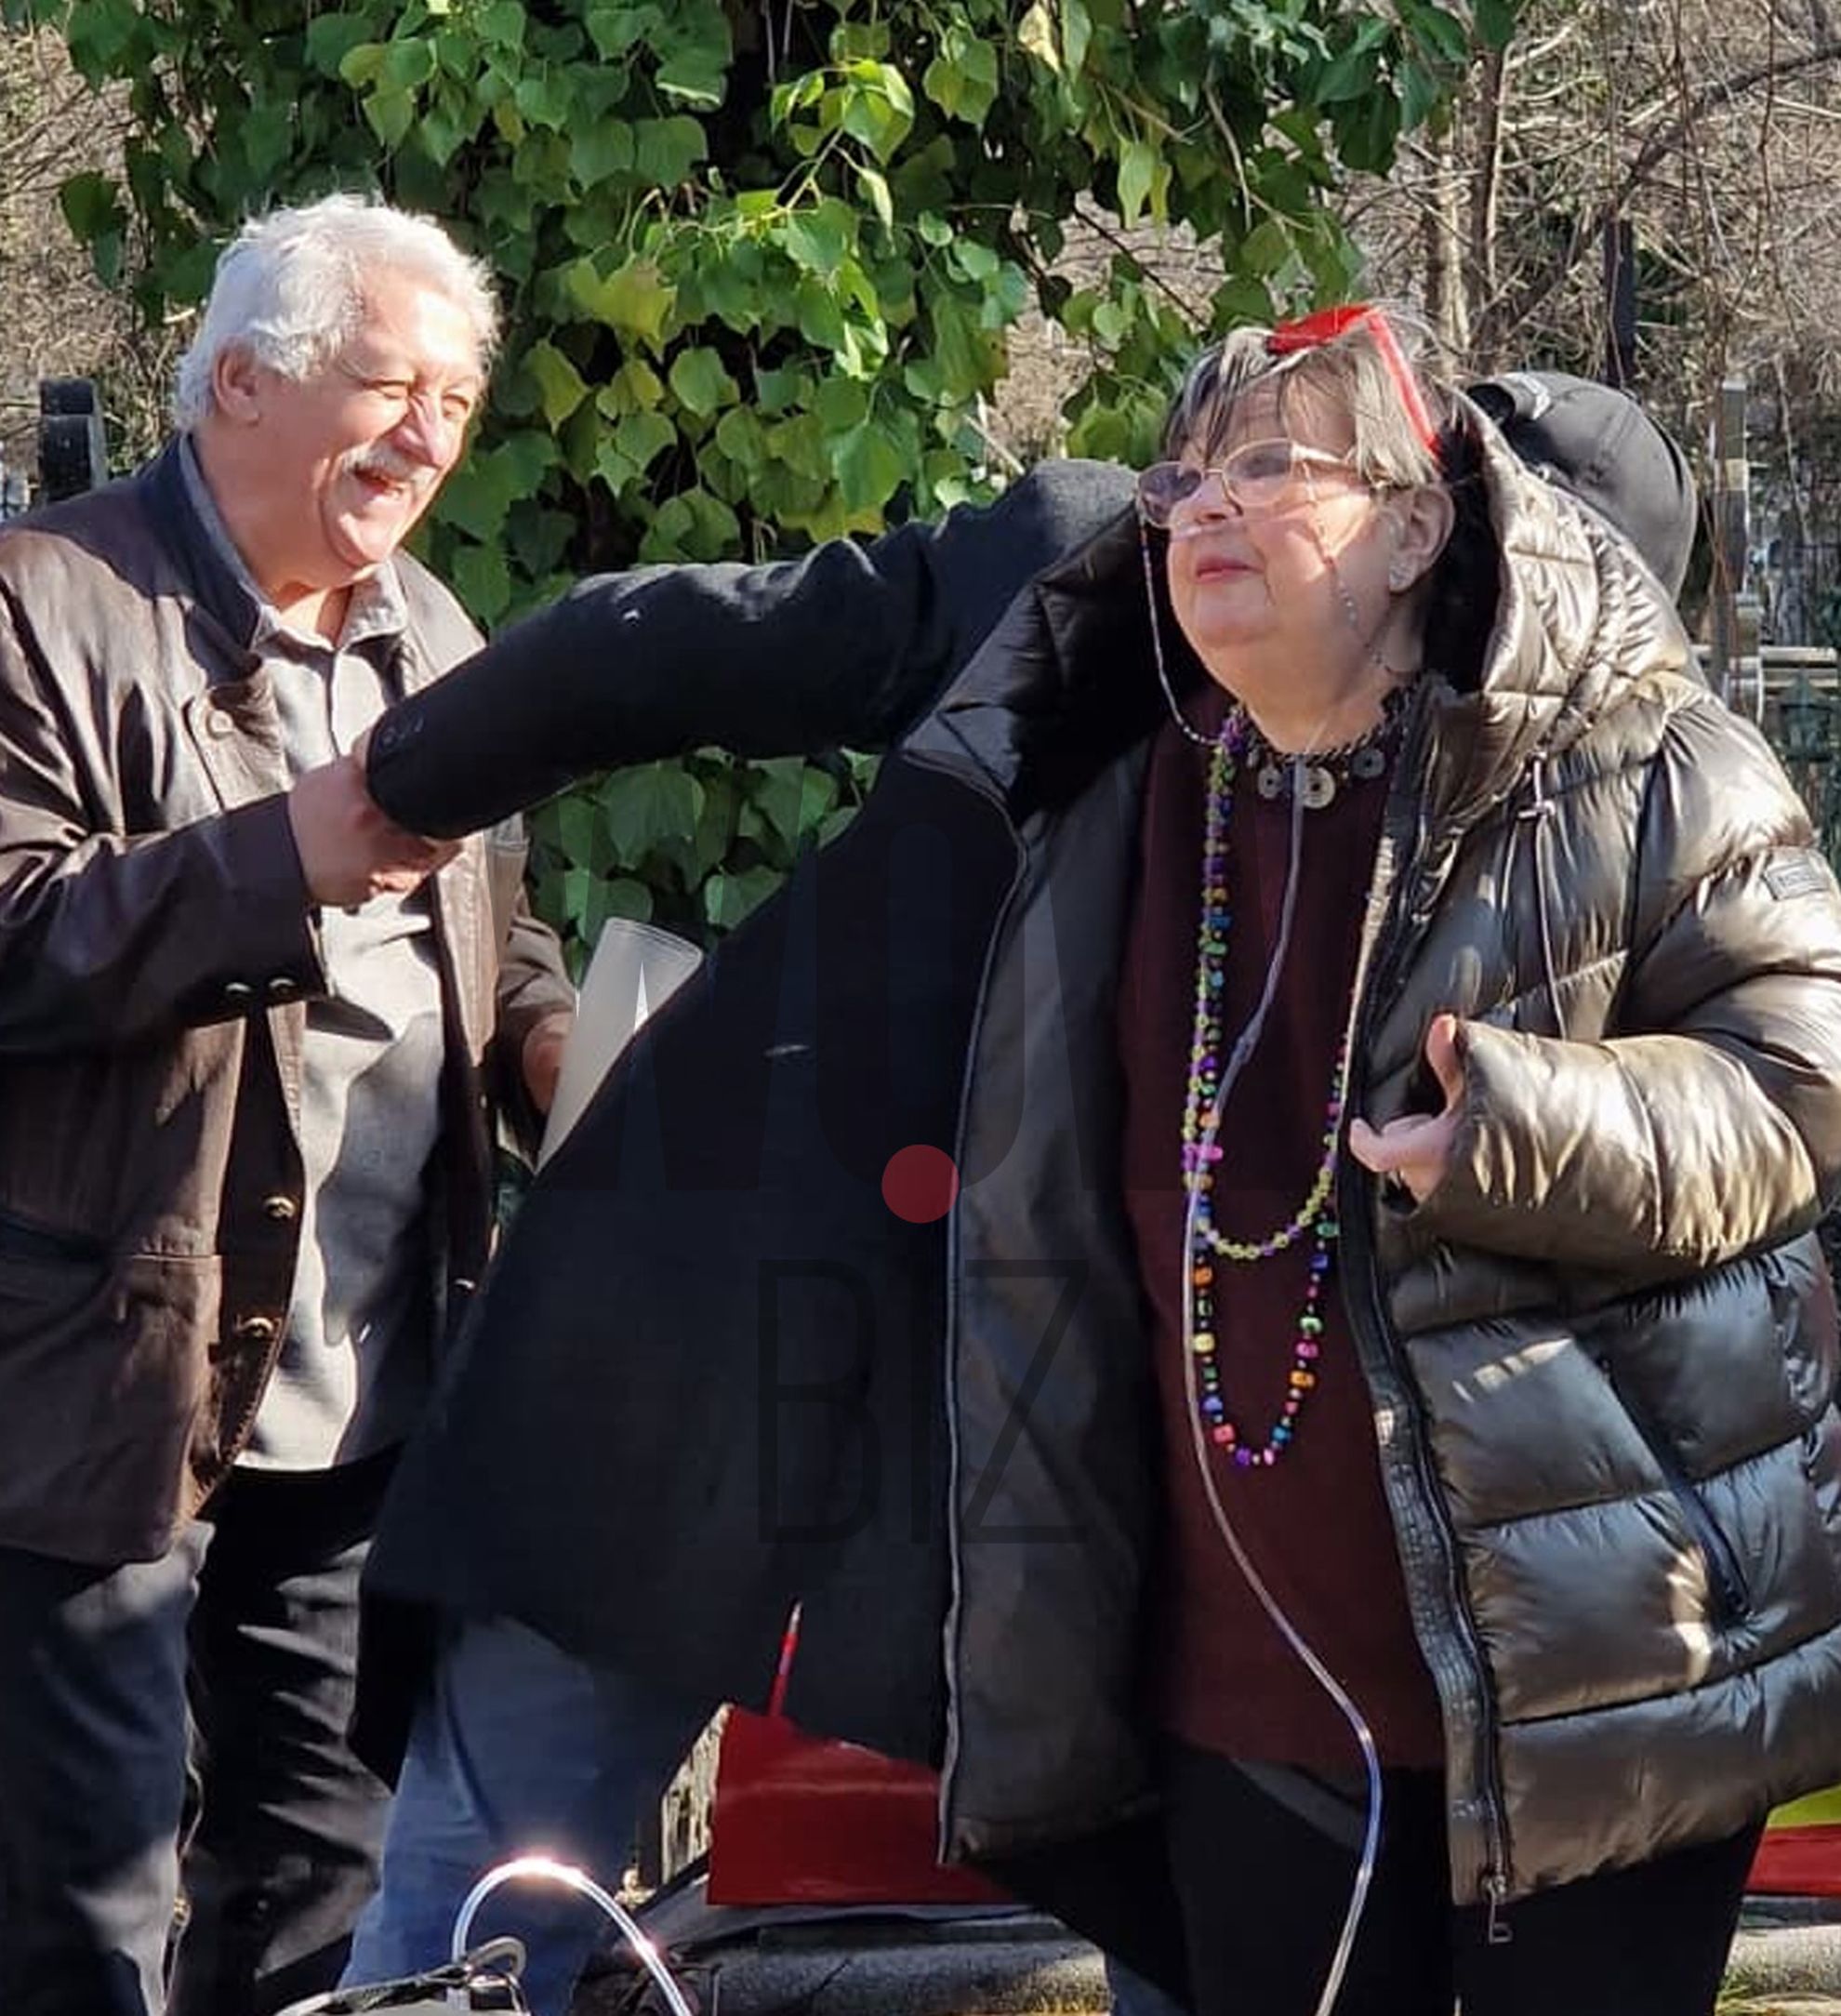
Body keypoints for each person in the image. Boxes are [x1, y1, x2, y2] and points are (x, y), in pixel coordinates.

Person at [344, 323, 1841, 2016]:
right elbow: (695, 640)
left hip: (1185, 1490)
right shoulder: (1097, 597)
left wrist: (1524, 1131)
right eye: (1207, 474)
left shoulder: (1612, 775)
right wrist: (390, 786)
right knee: (486, 1897)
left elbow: (1784, 1078)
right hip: (745, 1327)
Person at [0, 192, 574, 2016]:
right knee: (87, 1922)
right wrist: (284, 860)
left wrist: (558, 1054)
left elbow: (499, 930)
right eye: (390, 385)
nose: (429, 435)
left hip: (363, 1404)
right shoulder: (40, 601)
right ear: (239, 381)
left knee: (326, 1907)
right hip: (94, 1400)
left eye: (457, 401)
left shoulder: (441, 634)